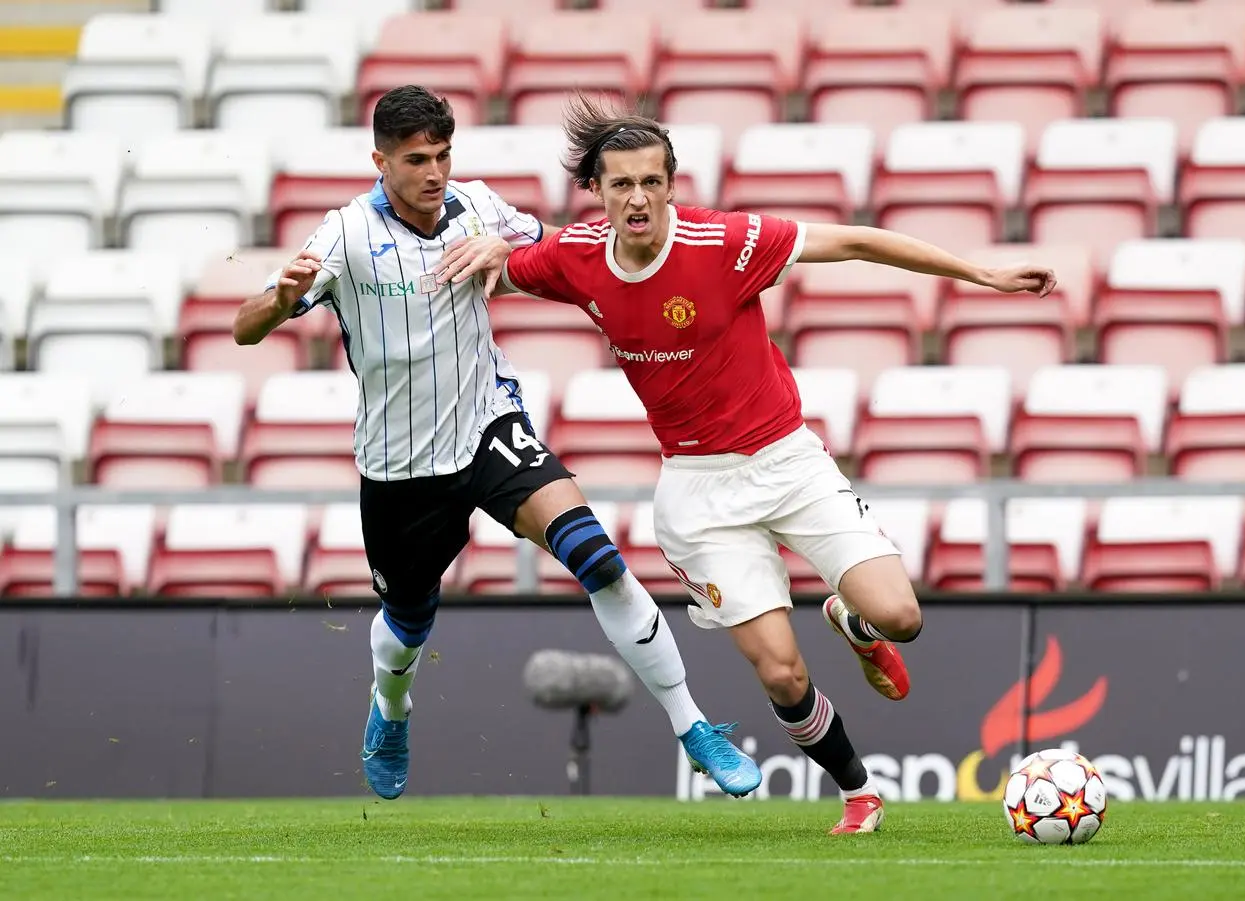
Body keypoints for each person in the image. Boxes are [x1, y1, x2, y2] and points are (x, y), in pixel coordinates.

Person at [439, 94, 1057, 834]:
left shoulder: (725, 242)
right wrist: (495, 256)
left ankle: (857, 623)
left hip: (787, 461)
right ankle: (859, 792)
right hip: (699, 494)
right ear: (597, 193)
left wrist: (981, 275)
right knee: (782, 672)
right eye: (621, 185)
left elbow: (856, 241)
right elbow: (506, 267)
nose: (638, 198)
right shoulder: (575, 256)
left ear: (672, 184)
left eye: (651, 182)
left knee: (903, 615)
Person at [232, 86, 761, 802]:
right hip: (401, 464)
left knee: (598, 559)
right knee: (408, 624)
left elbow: (564, 251)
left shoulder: (478, 205)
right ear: (380, 160)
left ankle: (693, 726)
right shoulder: (345, 235)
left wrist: (511, 241)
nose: (434, 172)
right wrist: (277, 298)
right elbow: (246, 326)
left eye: (443, 155)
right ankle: (390, 710)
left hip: (490, 429)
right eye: (416, 158)